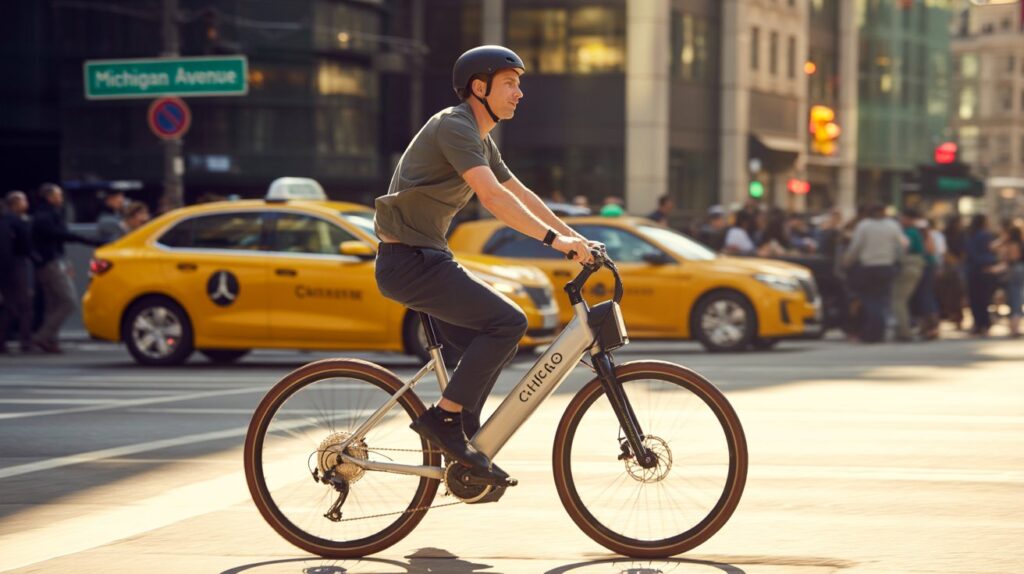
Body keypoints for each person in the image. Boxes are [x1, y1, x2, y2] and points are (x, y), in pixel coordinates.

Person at [372, 46, 597, 477]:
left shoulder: (479, 138)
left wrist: (579, 238)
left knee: (499, 337)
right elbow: (492, 197)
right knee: (508, 322)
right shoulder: (454, 126)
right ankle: (445, 419)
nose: (519, 93)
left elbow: (520, 193)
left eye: (519, 84)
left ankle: (465, 434)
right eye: (510, 83)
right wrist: (555, 241)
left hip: (426, 256)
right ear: (480, 87)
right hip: (409, 262)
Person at [31, 183, 100, 353]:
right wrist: (89, 240)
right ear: (49, 197)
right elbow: (62, 235)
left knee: (53, 304)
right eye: (58, 195)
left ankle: (48, 340)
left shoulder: (47, 215)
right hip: (51, 263)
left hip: (51, 262)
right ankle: (42, 336)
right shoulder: (45, 217)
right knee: (68, 302)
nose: (61, 199)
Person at [843, 204, 904, 343]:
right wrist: (898, 262)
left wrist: (847, 261)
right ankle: (879, 330)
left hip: (868, 267)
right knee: (882, 299)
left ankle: (873, 332)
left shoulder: (864, 226)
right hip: (887, 266)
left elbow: (856, 247)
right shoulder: (892, 226)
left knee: (870, 300)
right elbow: (901, 246)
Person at [0, 191, 35, 353]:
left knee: (9, 305)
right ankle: (26, 341)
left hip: (4, 268)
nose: (26, 204)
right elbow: (26, 246)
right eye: (23, 201)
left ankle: (2, 341)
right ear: (15, 204)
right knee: (25, 305)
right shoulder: (18, 222)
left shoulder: (4, 221)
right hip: (17, 266)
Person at [891, 208, 927, 341]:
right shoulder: (914, 231)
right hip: (915, 265)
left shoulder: (909, 232)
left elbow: (904, 248)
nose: (900, 220)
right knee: (902, 300)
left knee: (898, 300)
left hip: (909, 265)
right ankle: (904, 330)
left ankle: (904, 331)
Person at [965, 214, 998, 336]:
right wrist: (989, 262)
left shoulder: (971, 235)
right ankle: (984, 323)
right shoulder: (984, 235)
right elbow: (986, 252)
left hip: (973, 270)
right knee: (983, 299)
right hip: (982, 270)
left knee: (975, 299)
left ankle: (979, 324)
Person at [999, 224, 1024, 337]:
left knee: (1015, 297)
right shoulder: (1017, 243)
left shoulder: (1013, 245)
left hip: (1015, 269)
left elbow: (1013, 258)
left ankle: (1014, 327)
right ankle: (1014, 327)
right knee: (1015, 297)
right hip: (1017, 269)